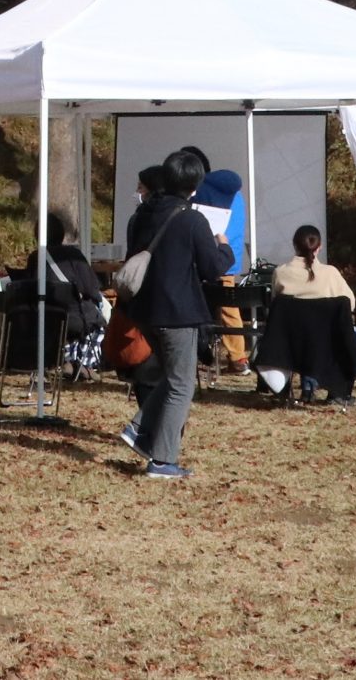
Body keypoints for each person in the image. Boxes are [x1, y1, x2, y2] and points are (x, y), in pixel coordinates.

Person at [118, 148, 227, 482]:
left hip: (144, 310)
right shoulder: (193, 219)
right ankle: (163, 460)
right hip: (177, 312)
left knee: (172, 377)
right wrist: (223, 245)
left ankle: (139, 430)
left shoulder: (143, 214)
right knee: (182, 385)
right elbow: (213, 268)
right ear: (195, 184)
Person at [257, 224, 356, 407]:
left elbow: (276, 305)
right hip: (326, 343)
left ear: (294, 246)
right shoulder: (330, 274)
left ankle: (307, 385)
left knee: (308, 344)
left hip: (291, 343)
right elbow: (349, 305)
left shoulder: (281, 272)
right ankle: (335, 389)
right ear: (319, 247)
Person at [9, 210, 108, 375]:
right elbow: (92, 289)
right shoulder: (73, 255)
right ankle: (83, 362)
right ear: (62, 233)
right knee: (99, 313)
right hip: (78, 320)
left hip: (47, 320)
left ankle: (65, 360)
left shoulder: (36, 258)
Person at [184, 147, 251, 373]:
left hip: (204, 258)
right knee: (229, 307)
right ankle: (238, 357)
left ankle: (199, 352)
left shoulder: (199, 190)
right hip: (229, 257)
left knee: (197, 304)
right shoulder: (235, 193)